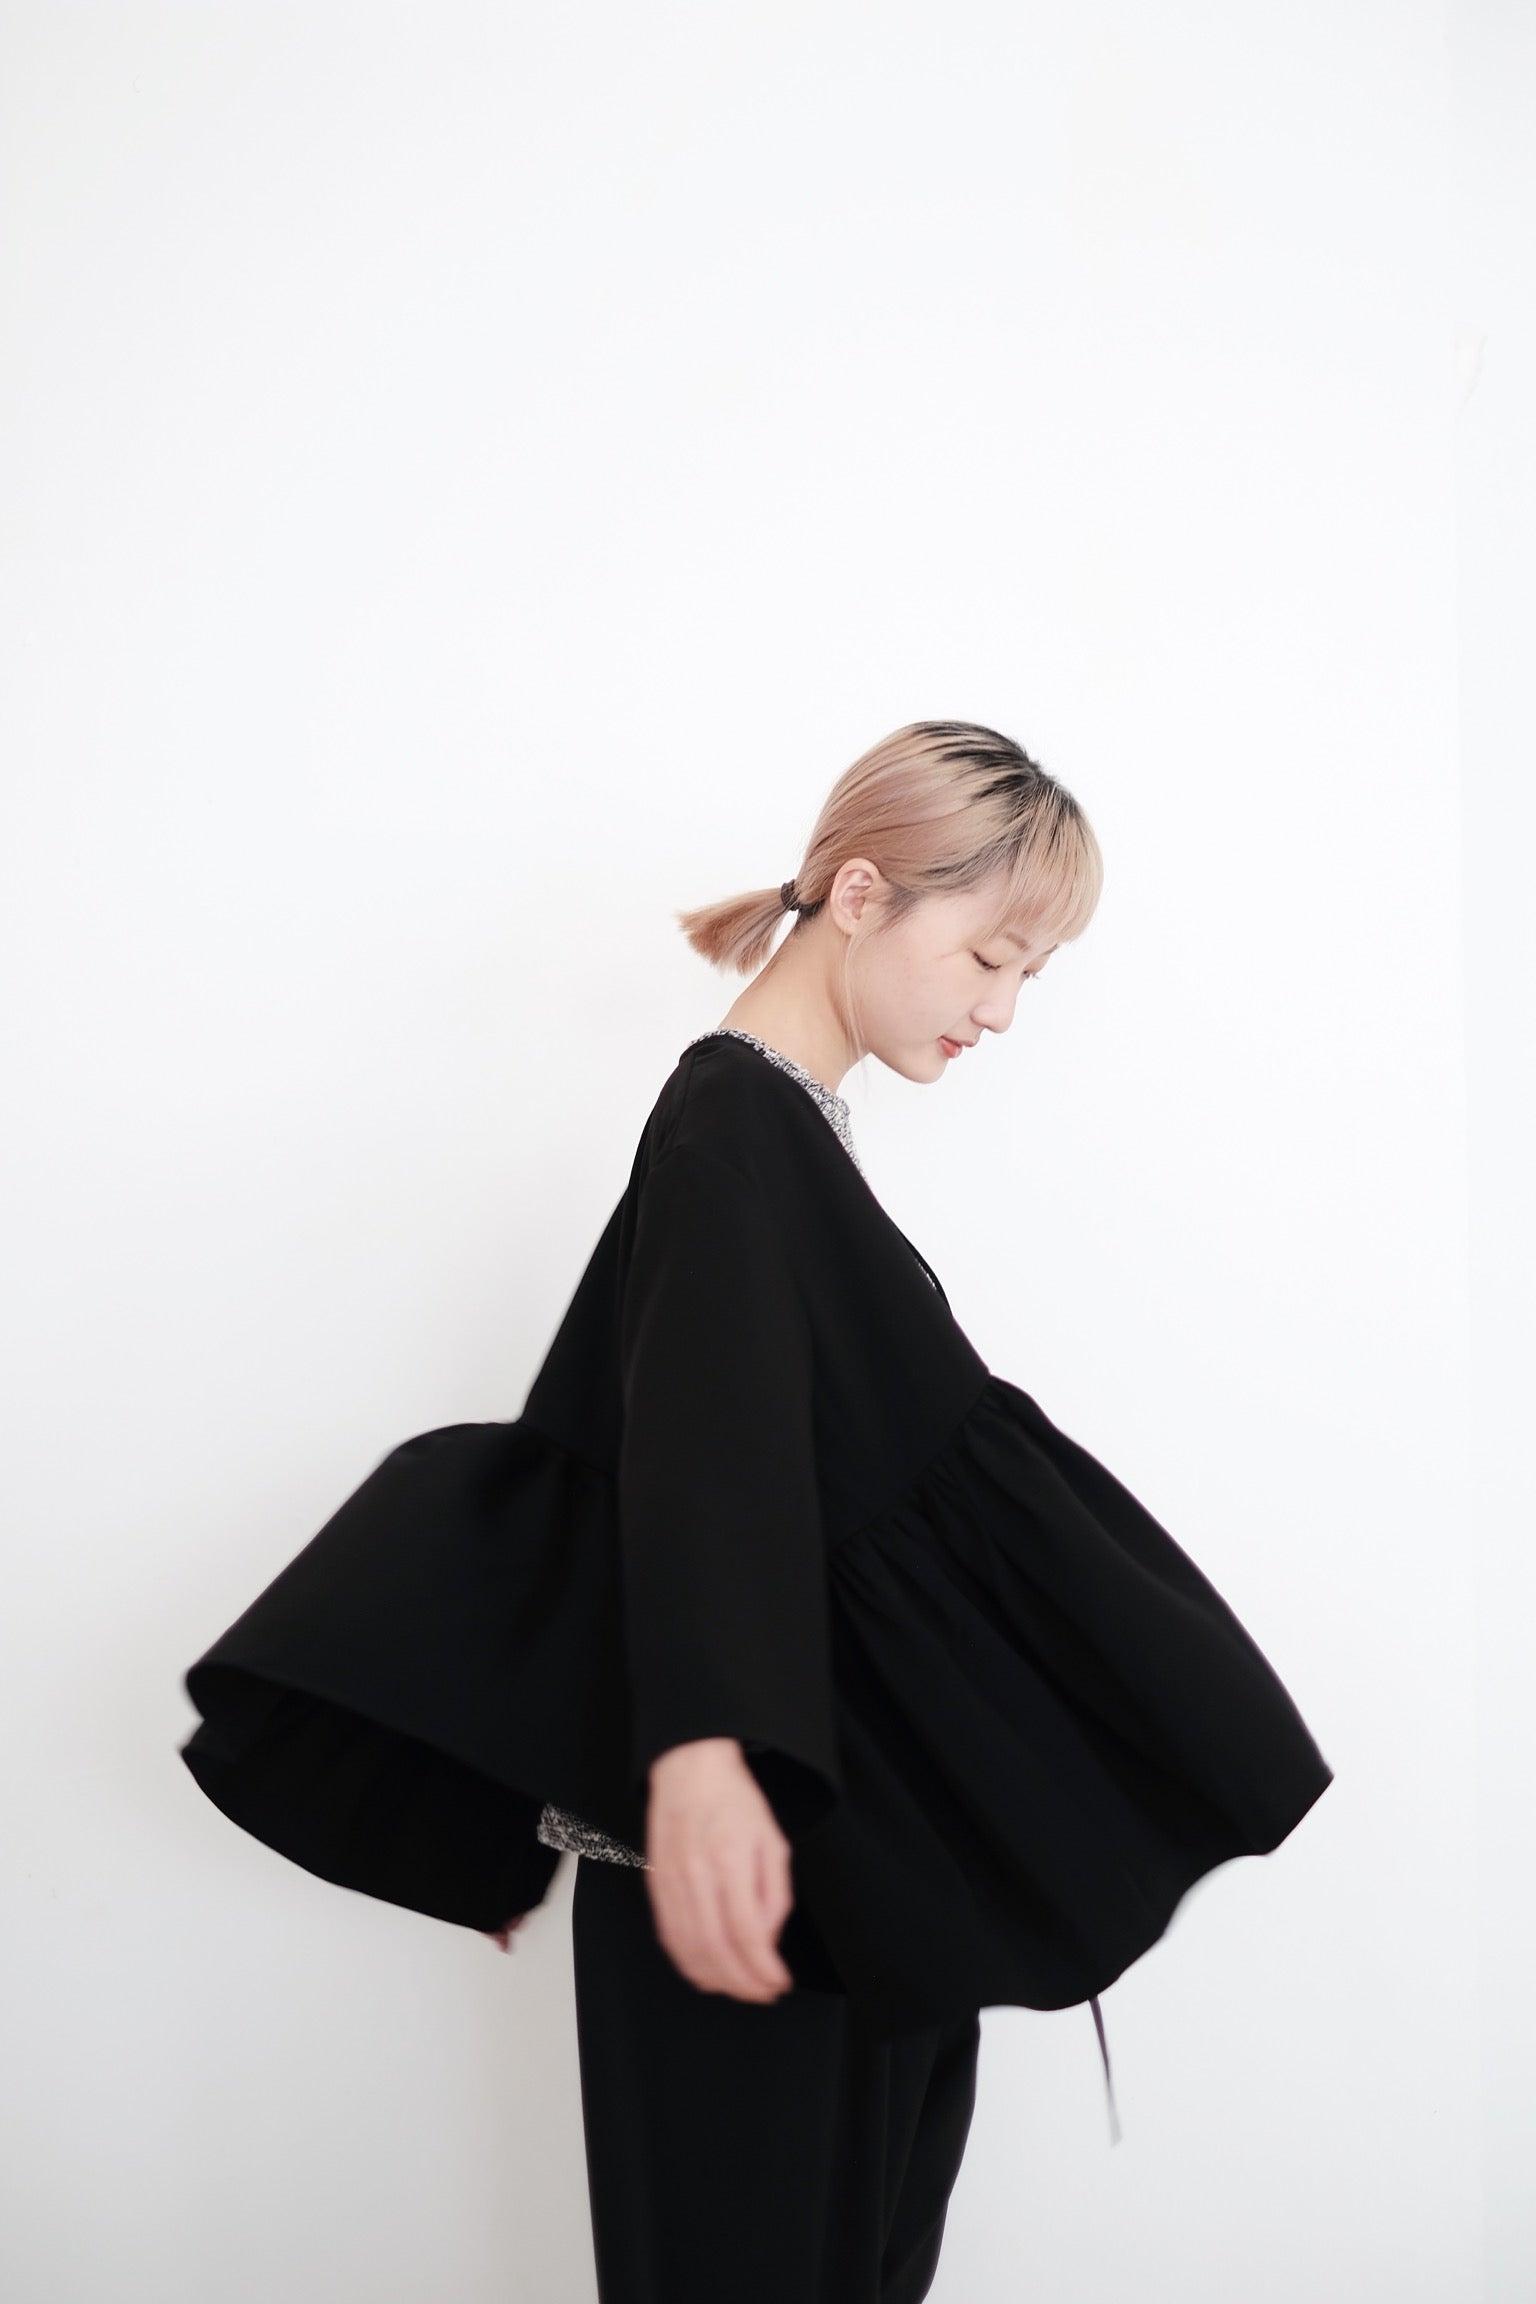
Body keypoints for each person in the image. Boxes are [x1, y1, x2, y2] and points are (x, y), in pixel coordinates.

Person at [179, 721, 1334, 2304]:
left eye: (1031, 976)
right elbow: (691, 1458)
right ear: (860, 896)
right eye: (990, 956)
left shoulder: (787, 1142)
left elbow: (684, 1458)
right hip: (745, 1875)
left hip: (840, 1881)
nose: (1002, 1010)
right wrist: (703, 1760)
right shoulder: (732, 1124)